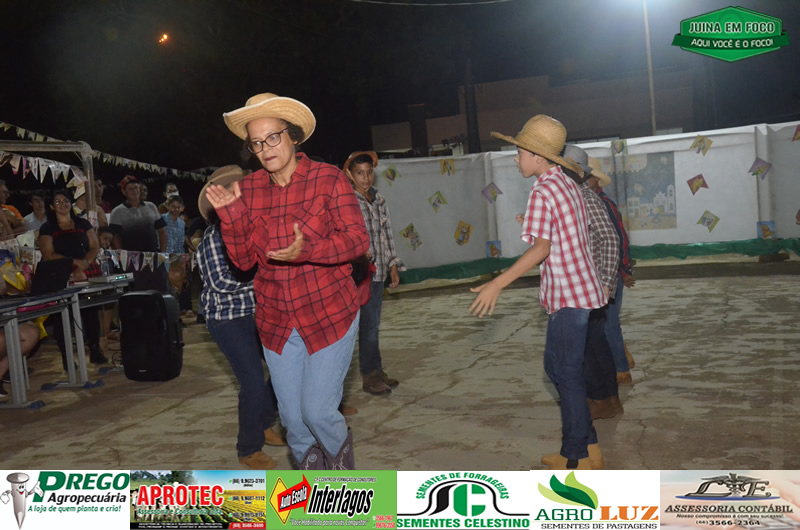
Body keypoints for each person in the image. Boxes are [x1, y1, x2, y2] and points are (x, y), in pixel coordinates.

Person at [206, 92, 369, 470]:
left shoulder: (328, 179)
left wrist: (308, 250)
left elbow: (358, 240)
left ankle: (345, 489)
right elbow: (243, 262)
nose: (266, 149)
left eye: (273, 137)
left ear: (292, 135)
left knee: (317, 412)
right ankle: (315, 494)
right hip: (277, 322)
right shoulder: (248, 191)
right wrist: (232, 218)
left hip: (329, 314)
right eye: (256, 143)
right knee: (294, 422)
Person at [469, 115, 607, 470]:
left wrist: (497, 283)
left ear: (536, 156)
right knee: (559, 368)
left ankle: (575, 456)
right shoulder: (566, 184)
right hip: (580, 289)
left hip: (568, 295)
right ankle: (590, 445)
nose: (516, 159)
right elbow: (561, 233)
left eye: (519, 152)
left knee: (565, 372)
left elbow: (542, 248)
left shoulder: (543, 190)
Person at [196, 165, 286, 470]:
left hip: (258, 313)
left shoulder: (255, 230)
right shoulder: (213, 237)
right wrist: (262, 279)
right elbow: (219, 282)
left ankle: (263, 424)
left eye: (240, 191)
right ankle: (248, 448)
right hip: (227, 319)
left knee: (284, 369)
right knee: (252, 381)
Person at [560, 145, 621, 422]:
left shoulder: (585, 198)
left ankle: (601, 398)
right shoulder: (573, 197)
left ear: (578, 173)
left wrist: (606, 282)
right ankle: (608, 399)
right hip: (582, 286)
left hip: (592, 286)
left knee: (587, 346)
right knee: (594, 343)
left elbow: (610, 238)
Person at [342, 150, 403, 395]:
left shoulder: (379, 200)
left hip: (378, 274)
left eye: (369, 172)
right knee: (363, 327)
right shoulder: (347, 202)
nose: (365, 178)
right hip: (358, 276)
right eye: (359, 173)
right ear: (350, 174)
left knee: (372, 326)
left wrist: (393, 264)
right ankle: (369, 376)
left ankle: (375, 371)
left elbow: (387, 234)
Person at [38, 189, 107, 367]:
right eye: (58, 202)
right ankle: (67, 357)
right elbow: (48, 254)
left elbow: (94, 246)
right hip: (60, 274)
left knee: (91, 312)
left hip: (86, 271)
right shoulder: (47, 228)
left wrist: (84, 263)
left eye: (66, 200)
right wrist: (73, 264)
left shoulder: (82, 223)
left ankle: (95, 350)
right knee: (63, 317)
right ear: (51, 207)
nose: (63, 204)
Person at [587, 157, 637, 384]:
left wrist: (624, 270)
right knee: (601, 322)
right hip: (595, 271)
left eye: (588, 178)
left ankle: (621, 369)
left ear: (597, 180)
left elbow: (619, 238)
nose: (584, 182)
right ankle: (622, 355)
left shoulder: (604, 204)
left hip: (609, 271)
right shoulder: (585, 203)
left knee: (608, 322)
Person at [109, 175, 168, 291]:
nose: (134, 191)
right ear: (124, 192)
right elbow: (114, 237)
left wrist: (162, 252)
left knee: (160, 289)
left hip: (153, 257)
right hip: (132, 261)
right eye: (130, 189)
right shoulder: (117, 211)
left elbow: (161, 231)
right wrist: (122, 256)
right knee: (138, 292)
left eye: (136, 188)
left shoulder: (151, 206)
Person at [162, 196, 193, 318]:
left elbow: (181, 241)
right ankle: (171, 313)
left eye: (178, 207)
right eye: (173, 207)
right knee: (167, 285)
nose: (175, 209)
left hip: (178, 257)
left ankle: (183, 309)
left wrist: (184, 258)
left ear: (182, 208)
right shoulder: (161, 220)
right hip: (164, 257)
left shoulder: (181, 223)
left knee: (182, 283)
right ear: (167, 207)